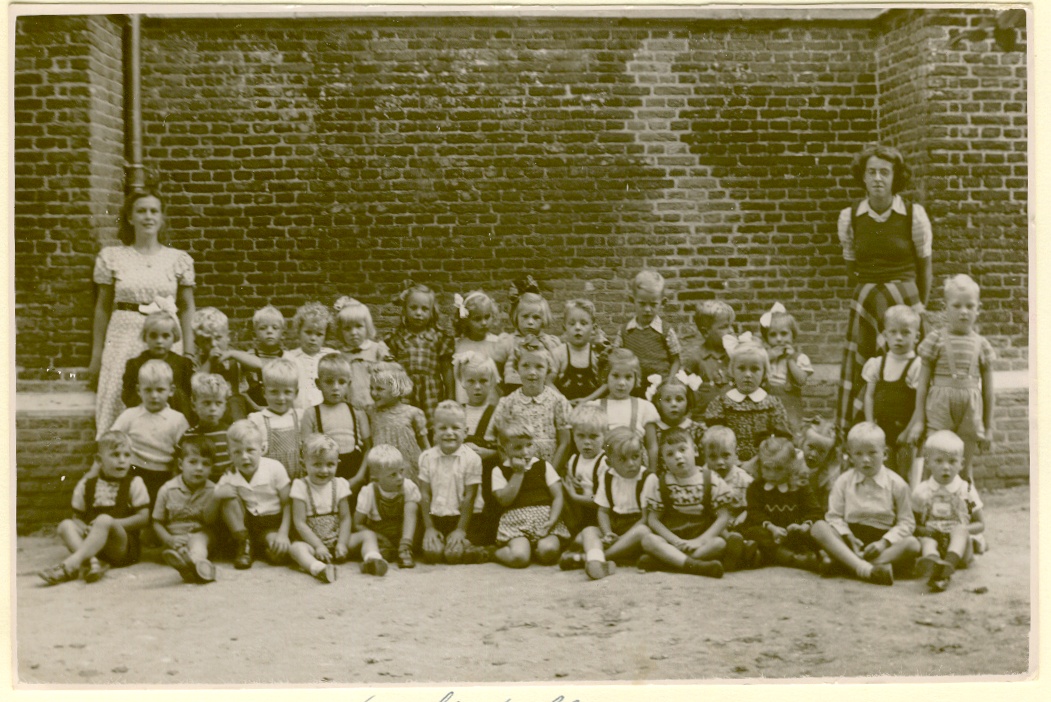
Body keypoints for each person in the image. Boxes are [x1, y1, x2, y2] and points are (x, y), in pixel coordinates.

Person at [836, 144, 933, 441]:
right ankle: (863, 438)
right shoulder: (850, 217)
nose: (878, 178)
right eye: (871, 172)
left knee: (911, 370)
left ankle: (914, 437)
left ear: (895, 178)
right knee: (867, 373)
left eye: (885, 172)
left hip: (905, 302)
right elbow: (850, 265)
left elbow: (925, 268)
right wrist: (865, 291)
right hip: (866, 303)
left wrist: (919, 310)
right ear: (863, 178)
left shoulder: (913, 215)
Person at [88, 189, 196, 436]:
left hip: (166, 337)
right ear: (130, 218)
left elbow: (188, 306)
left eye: (154, 211)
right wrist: (97, 353)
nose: (148, 216)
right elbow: (103, 307)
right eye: (141, 211)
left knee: (166, 393)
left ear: (161, 217)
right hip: (123, 335)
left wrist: (189, 350)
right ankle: (117, 456)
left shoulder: (178, 259)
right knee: (121, 393)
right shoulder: (113, 257)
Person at [906, 274, 996, 484]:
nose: (963, 311)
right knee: (935, 457)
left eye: (969, 306)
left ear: (978, 309)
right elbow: (922, 384)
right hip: (939, 407)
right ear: (945, 307)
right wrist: (919, 421)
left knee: (963, 463)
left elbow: (989, 391)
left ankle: (966, 510)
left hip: (971, 410)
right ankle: (925, 510)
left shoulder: (982, 345)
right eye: (956, 305)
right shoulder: (935, 339)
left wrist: (989, 427)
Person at [810, 422, 920, 586]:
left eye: (872, 453)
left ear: (885, 454)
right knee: (819, 527)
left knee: (912, 545)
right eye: (858, 454)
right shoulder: (843, 481)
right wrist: (848, 537)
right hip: (850, 539)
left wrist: (883, 543)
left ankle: (846, 564)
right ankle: (868, 569)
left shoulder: (897, 484)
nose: (865, 459)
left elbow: (907, 522)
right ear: (850, 455)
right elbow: (834, 516)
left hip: (881, 541)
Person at [38, 431, 150, 585]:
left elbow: (143, 518)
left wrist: (110, 524)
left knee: (103, 520)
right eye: (115, 455)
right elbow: (76, 517)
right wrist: (84, 528)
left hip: (121, 548)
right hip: (92, 543)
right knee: (65, 525)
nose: (122, 460)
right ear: (99, 460)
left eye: (126, 455)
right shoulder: (87, 485)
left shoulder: (135, 483)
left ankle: (71, 565)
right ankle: (92, 562)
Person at [638, 427, 736, 577]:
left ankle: (667, 562)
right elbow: (653, 519)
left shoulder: (711, 479)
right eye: (670, 454)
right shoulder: (661, 483)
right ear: (663, 460)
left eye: (683, 449)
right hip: (672, 539)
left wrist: (700, 541)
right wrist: (675, 541)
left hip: (701, 538)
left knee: (719, 543)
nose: (678, 456)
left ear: (695, 451)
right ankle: (695, 565)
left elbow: (723, 516)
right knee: (648, 540)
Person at [289, 434, 386, 581]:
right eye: (317, 464)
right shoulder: (300, 486)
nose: (324, 470)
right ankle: (318, 568)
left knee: (368, 535)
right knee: (296, 548)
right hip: (313, 543)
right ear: (304, 465)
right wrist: (318, 546)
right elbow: (299, 523)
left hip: (337, 539)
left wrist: (342, 543)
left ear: (337, 463)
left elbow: (345, 518)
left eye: (330, 464)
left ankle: (372, 559)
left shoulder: (340, 484)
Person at [562, 427, 651, 580]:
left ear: (642, 455)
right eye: (622, 459)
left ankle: (591, 558)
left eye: (635, 457)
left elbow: (645, 518)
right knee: (589, 531)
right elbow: (603, 511)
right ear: (609, 462)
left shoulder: (647, 478)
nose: (631, 464)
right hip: (614, 525)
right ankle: (598, 560)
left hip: (635, 527)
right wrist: (607, 533)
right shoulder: (608, 477)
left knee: (643, 531)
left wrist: (622, 539)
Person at [490, 417, 570, 568]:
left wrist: (552, 521)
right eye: (518, 448)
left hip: (546, 521)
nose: (525, 452)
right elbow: (504, 500)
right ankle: (493, 553)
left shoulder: (542, 466)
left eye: (529, 445)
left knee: (549, 551)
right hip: (516, 524)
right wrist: (518, 474)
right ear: (504, 449)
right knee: (519, 558)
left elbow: (558, 496)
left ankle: (537, 549)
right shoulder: (500, 470)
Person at [739, 435, 827, 572]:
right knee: (753, 532)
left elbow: (815, 511)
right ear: (760, 465)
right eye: (767, 468)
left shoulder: (801, 486)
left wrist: (803, 526)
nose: (772, 474)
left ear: (791, 466)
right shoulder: (755, 488)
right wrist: (772, 528)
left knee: (819, 530)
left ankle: (816, 555)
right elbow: (754, 512)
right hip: (769, 533)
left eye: (779, 469)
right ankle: (792, 558)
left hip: (793, 532)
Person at [912, 430, 985, 593]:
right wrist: (928, 531)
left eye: (952, 461)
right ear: (928, 462)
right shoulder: (921, 491)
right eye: (938, 461)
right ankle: (934, 562)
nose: (946, 467)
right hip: (935, 541)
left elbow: (981, 524)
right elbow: (913, 524)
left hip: (960, 549)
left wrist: (961, 529)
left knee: (960, 530)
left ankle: (948, 564)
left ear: (961, 464)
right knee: (927, 539)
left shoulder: (965, 490)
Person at [418, 401, 490, 564]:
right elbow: (424, 493)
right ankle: (460, 547)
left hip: (466, 519)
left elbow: (470, 496)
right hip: (437, 517)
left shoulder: (472, 458)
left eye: (455, 428)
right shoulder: (427, 457)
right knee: (432, 555)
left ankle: (473, 548)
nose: (449, 433)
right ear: (434, 432)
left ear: (465, 432)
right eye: (443, 428)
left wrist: (460, 530)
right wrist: (429, 527)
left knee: (453, 556)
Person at [110, 359, 190, 504]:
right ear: (139, 390)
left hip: (164, 475)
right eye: (148, 390)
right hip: (133, 471)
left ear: (171, 390)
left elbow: (183, 452)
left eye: (160, 390)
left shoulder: (177, 420)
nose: (154, 395)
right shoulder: (130, 415)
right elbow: (111, 439)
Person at [215, 420, 292, 570]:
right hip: (245, 525)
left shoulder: (274, 468)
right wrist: (217, 494)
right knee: (227, 497)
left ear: (262, 448)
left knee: (280, 553)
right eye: (237, 452)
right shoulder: (229, 475)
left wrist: (283, 533)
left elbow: (288, 503)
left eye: (250, 450)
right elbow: (213, 507)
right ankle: (244, 544)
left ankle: (261, 548)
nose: (244, 457)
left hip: (272, 523)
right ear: (229, 453)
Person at [487, 338, 572, 469]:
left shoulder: (558, 401)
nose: (532, 372)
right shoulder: (508, 403)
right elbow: (501, 443)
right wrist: (512, 470)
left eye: (539, 367)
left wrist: (550, 474)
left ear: (548, 368)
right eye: (526, 366)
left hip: (550, 470)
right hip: (517, 471)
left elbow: (565, 443)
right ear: (517, 368)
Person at [704, 338, 790, 463]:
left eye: (755, 369)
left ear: (764, 372)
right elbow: (714, 438)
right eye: (741, 368)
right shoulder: (722, 403)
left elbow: (782, 439)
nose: (748, 375)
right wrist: (733, 461)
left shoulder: (772, 404)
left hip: (763, 463)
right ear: (732, 371)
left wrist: (758, 460)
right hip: (728, 463)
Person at [862, 304, 922, 481]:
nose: (899, 338)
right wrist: (870, 424)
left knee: (905, 474)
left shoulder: (917, 366)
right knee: (884, 472)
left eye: (905, 333)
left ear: (916, 336)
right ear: (885, 335)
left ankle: (905, 506)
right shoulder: (878, 364)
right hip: (881, 430)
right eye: (893, 332)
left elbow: (921, 404)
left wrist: (908, 431)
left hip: (906, 431)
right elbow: (869, 396)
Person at [386, 282, 456, 426]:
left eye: (425, 309)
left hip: (431, 394)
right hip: (405, 394)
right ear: (405, 310)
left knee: (431, 429)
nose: (419, 313)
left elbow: (447, 370)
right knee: (406, 426)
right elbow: (389, 371)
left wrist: (450, 398)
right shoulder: (396, 337)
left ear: (432, 312)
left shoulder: (438, 337)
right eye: (413, 308)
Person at [153, 434, 219, 584]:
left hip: (201, 534)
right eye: (193, 462)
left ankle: (195, 561)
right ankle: (185, 563)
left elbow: (214, 523)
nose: (199, 468)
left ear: (211, 468)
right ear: (181, 464)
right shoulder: (167, 490)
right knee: (176, 549)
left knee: (198, 542)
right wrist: (168, 539)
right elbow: (157, 522)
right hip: (174, 537)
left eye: (206, 464)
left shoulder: (213, 491)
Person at [299, 353, 371, 485]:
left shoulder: (357, 412)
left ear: (349, 384)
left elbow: (368, 448)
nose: (335, 387)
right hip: (324, 472)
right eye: (329, 381)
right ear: (318, 383)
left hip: (354, 471)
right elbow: (306, 451)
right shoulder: (311, 413)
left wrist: (359, 477)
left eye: (342, 382)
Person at [613, 269, 681, 393]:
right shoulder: (625, 331)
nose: (647, 309)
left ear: (663, 302)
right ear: (632, 300)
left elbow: (676, 360)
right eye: (642, 303)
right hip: (632, 389)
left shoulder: (666, 331)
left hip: (660, 389)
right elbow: (615, 357)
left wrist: (670, 382)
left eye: (653, 304)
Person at [354, 445, 421, 569]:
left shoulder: (408, 486)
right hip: (382, 536)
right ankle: (381, 555)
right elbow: (358, 524)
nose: (400, 478)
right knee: (375, 549)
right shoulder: (369, 492)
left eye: (401, 471)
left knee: (411, 505)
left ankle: (405, 548)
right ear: (376, 478)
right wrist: (378, 537)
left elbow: (415, 515)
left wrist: (406, 541)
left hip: (406, 534)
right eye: (393, 475)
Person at [120, 310, 195, 421]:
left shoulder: (183, 364)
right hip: (146, 415)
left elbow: (189, 393)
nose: (159, 341)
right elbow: (128, 395)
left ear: (174, 337)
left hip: (176, 415)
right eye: (153, 336)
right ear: (145, 337)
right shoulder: (135, 364)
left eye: (165, 336)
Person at [593, 348, 660, 469]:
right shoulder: (595, 407)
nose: (622, 383)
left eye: (628, 377)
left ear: (636, 378)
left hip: (635, 469)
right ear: (606, 376)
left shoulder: (644, 407)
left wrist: (652, 472)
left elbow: (652, 446)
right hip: (605, 470)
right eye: (616, 376)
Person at [367, 362, 430, 484]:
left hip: (408, 468)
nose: (374, 393)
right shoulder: (370, 412)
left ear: (397, 389)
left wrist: (429, 468)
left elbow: (425, 446)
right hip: (382, 468)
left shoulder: (413, 413)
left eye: (379, 389)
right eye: (371, 388)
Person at [500, 276, 565, 393]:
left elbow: (556, 366)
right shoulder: (509, 341)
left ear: (543, 319)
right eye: (525, 316)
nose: (530, 322)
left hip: (542, 390)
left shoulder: (548, 342)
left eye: (536, 317)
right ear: (517, 317)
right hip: (513, 389)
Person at [191, 307, 254, 421]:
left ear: (228, 337)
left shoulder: (236, 358)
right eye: (206, 340)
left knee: (235, 400)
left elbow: (260, 365)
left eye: (218, 338)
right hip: (210, 410)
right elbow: (196, 383)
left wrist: (233, 354)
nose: (214, 344)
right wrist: (209, 361)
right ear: (197, 343)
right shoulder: (198, 361)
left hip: (235, 411)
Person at [247, 358, 305, 480]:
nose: (281, 398)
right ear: (264, 392)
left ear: (296, 393)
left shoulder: (300, 417)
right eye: (274, 392)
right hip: (269, 480)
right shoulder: (257, 420)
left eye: (287, 392)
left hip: (297, 478)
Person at [758, 303, 813, 433]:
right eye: (773, 335)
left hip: (790, 405)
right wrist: (768, 357)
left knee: (791, 430)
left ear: (792, 336)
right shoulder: (762, 356)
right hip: (767, 402)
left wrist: (790, 360)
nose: (779, 339)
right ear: (766, 338)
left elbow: (801, 381)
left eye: (784, 334)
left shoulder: (798, 358)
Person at [452, 290, 511, 405]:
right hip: (464, 398)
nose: (484, 323)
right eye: (477, 319)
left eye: (487, 317)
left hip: (491, 400)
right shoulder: (458, 345)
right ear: (465, 320)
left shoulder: (497, 343)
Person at [333, 296, 391, 413]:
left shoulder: (377, 349)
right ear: (340, 331)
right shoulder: (340, 355)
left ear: (367, 326)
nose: (354, 333)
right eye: (347, 328)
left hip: (376, 406)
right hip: (350, 409)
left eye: (359, 326)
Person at [682, 300, 736, 419]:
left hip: (732, 416)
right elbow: (684, 389)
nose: (731, 330)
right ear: (706, 332)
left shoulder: (735, 355)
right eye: (724, 327)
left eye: (731, 325)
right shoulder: (696, 358)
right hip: (704, 418)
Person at [560, 402, 608, 533]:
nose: (587, 442)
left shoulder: (604, 462)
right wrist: (572, 483)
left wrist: (575, 497)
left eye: (593, 436)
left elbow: (601, 500)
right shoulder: (574, 460)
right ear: (573, 435)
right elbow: (569, 484)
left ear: (605, 435)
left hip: (599, 515)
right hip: (579, 513)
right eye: (581, 436)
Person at [229, 304, 286, 408]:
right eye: (263, 328)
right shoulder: (247, 358)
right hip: (251, 409)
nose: (269, 331)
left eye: (275, 328)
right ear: (254, 335)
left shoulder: (287, 358)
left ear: (282, 334)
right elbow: (242, 390)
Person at [552, 299, 608, 404]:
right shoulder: (559, 353)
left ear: (593, 327)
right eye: (572, 324)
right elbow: (547, 381)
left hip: (591, 410)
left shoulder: (597, 353)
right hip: (564, 409)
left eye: (583, 323)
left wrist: (587, 400)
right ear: (565, 327)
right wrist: (562, 400)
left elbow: (606, 384)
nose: (577, 328)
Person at [284, 302, 337, 411]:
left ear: (325, 335)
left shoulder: (331, 356)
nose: (313, 338)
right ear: (299, 331)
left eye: (319, 334)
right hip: (299, 408)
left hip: (326, 408)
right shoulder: (290, 357)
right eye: (308, 332)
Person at [183, 373, 233, 480]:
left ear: (225, 406)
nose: (213, 408)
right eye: (207, 403)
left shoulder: (231, 433)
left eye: (218, 403)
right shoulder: (189, 435)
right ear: (193, 405)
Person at [701, 425, 752, 527]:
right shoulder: (701, 478)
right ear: (705, 457)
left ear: (735, 453)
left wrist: (743, 516)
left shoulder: (744, 480)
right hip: (712, 524)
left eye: (725, 455)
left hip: (738, 523)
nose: (720, 462)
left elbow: (753, 507)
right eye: (713, 456)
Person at [651, 373, 706, 461]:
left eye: (679, 399)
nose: (674, 404)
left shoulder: (698, 430)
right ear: (658, 403)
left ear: (688, 401)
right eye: (667, 400)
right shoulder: (652, 431)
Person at [797, 416, 841, 510]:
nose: (813, 454)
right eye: (810, 447)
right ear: (802, 443)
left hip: (815, 509)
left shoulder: (826, 473)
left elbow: (828, 501)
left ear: (829, 455)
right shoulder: (796, 461)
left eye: (821, 451)